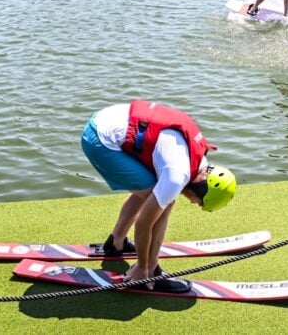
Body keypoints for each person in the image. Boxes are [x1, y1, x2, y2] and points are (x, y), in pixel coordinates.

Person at [80, 99, 237, 292]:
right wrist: (143, 266)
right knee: (162, 205)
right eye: (199, 202)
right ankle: (150, 270)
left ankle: (116, 243)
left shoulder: (196, 159)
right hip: (101, 139)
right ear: (201, 189)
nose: (193, 203)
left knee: (153, 193)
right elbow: (143, 224)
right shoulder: (177, 175)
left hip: (105, 120)